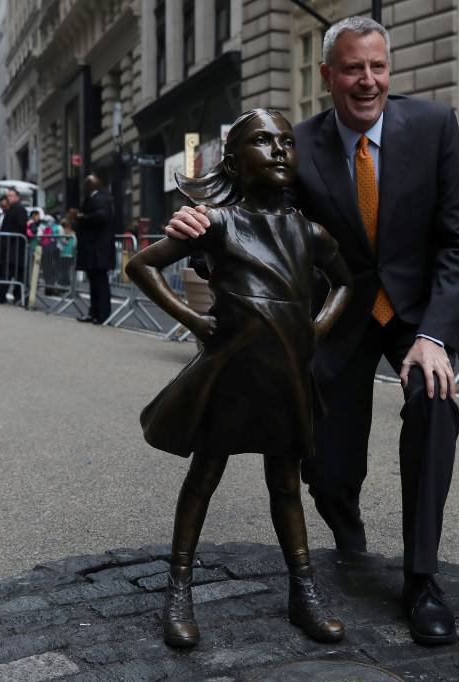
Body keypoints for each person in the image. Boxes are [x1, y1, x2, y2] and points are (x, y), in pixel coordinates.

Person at [163, 16, 459, 646]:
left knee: (433, 404)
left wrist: (437, 336)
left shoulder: (436, 127)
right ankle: (347, 530)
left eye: (378, 67)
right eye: (354, 68)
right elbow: (254, 218)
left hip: (418, 316)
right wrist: (198, 229)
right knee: (327, 467)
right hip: (336, 322)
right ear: (327, 76)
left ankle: (421, 580)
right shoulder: (297, 145)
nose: (368, 81)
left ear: (389, 69)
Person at [125, 109, 352, 648]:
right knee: (205, 475)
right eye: (262, 141)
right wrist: (197, 320)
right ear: (232, 159)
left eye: (286, 142)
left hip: (287, 374)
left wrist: (316, 328)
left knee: (287, 483)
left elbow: (345, 283)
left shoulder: (309, 231)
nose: (278, 151)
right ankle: (178, 587)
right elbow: (142, 265)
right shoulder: (218, 223)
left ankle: (304, 590)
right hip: (230, 371)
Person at [74, 175, 116, 324]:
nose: (83, 188)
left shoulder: (101, 198)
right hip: (93, 249)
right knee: (94, 282)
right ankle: (94, 313)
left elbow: (102, 216)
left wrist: (83, 217)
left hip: (99, 249)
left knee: (100, 282)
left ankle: (102, 314)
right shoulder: (95, 198)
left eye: (85, 185)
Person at [0, 187, 28, 305]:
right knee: (8, 273)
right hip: (9, 247)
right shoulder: (11, 209)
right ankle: (5, 296)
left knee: (13, 273)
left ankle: (14, 297)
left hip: (15, 248)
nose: (8, 198)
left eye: (11, 195)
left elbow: (20, 226)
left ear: (17, 197)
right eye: (8, 195)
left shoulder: (19, 209)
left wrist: (9, 236)